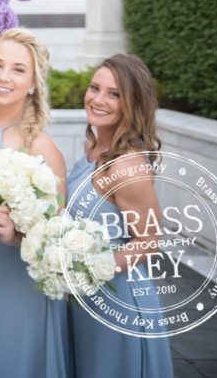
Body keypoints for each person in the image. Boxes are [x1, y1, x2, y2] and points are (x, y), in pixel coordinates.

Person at [0, 27, 71, 378]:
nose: (3, 77)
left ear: (34, 82)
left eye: (18, 70)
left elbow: (58, 239)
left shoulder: (40, 147)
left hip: (8, 277)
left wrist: (14, 236)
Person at [67, 54, 173, 377]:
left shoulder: (127, 164)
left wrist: (91, 269)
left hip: (118, 299)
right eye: (94, 87)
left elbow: (149, 240)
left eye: (114, 94)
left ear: (132, 103)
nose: (98, 99)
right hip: (87, 297)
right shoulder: (93, 148)